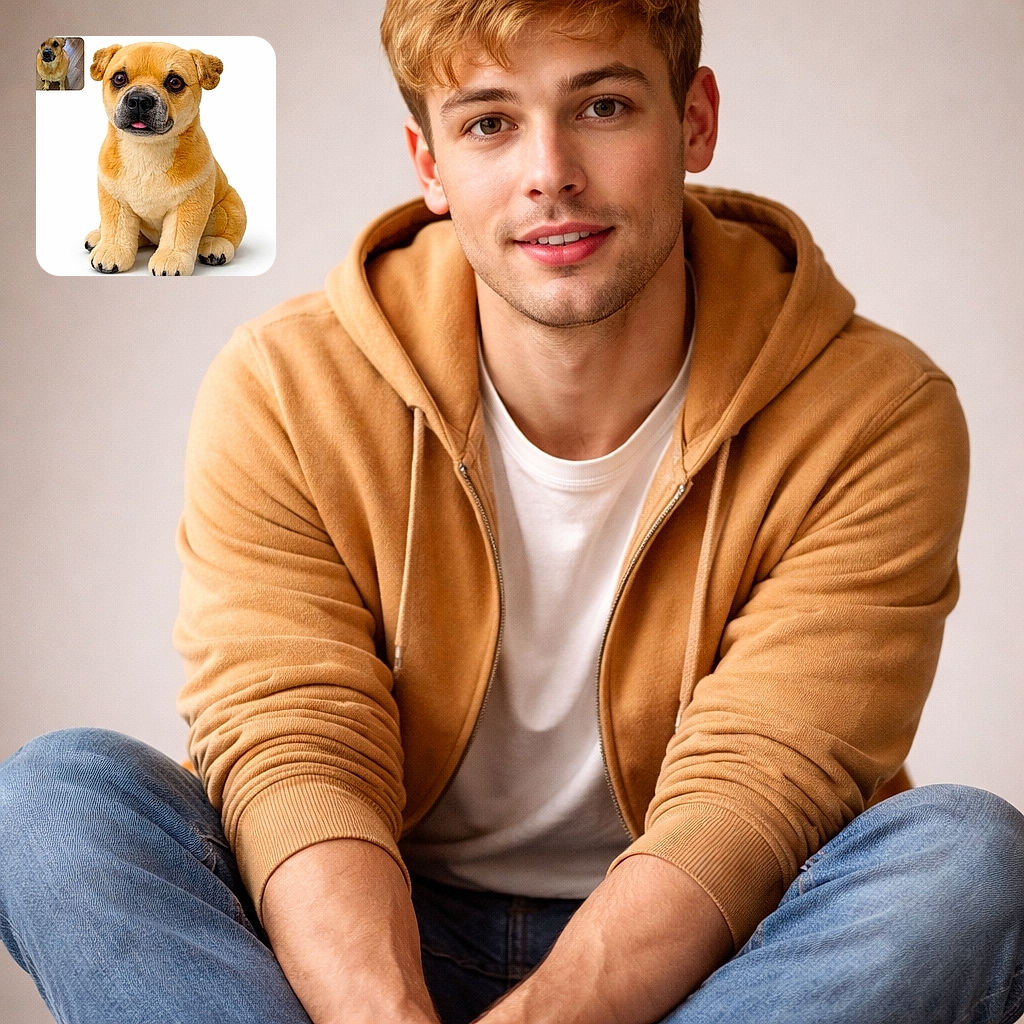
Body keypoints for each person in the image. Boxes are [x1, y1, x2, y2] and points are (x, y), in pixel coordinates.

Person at [2, 2, 1023, 1022]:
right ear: (429, 163)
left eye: (604, 105)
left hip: (722, 956)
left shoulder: (874, 409)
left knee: (969, 862)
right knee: (48, 801)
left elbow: (762, 784)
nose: (550, 171)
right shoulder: (286, 384)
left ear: (695, 120)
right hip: (356, 931)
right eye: (489, 122)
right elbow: (293, 737)